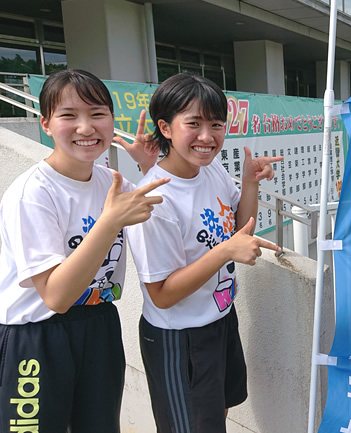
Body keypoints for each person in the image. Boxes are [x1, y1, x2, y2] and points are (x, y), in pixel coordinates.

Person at [0, 69, 168, 433]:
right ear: (45, 123)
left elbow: (168, 210)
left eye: (97, 114)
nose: (86, 127)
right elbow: (56, 297)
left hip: (100, 322)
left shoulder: (111, 181)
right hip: (37, 335)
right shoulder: (32, 194)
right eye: (68, 116)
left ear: (111, 120)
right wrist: (109, 223)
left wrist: (149, 165)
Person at [125, 73, 283, 432]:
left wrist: (249, 183)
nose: (207, 136)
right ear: (165, 128)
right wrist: (225, 250)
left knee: (217, 416)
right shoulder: (155, 199)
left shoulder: (209, 170)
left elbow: (242, 229)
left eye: (216, 124)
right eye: (193, 124)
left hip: (219, 319)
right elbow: (161, 295)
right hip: (179, 338)